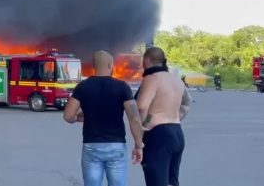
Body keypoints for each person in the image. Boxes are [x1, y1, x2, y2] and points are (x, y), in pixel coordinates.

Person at [64, 50, 144, 186]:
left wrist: (78, 118)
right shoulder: (122, 87)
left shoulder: (82, 87)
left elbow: (68, 116)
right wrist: (138, 145)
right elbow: (134, 118)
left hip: (91, 146)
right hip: (116, 146)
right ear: (109, 66)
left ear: (95, 66)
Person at [136, 47, 192, 186]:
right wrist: (176, 116)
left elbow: (141, 106)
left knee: (156, 182)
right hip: (177, 133)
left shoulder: (151, 78)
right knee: (172, 182)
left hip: (158, 136)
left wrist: (144, 125)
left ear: (147, 60)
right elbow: (187, 102)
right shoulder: (176, 79)